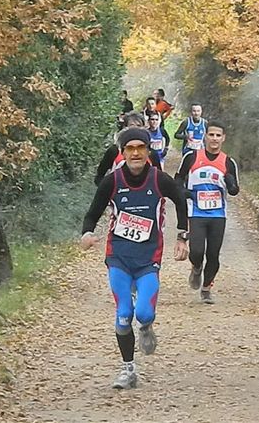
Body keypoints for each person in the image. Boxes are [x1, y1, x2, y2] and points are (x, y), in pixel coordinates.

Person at [82, 128, 189, 389]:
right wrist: (86, 233)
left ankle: (146, 327)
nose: (136, 153)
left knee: (143, 312)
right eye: (130, 149)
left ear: (148, 151)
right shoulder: (112, 181)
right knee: (123, 314)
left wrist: (182, 236)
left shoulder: (159, 179)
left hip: (148, 259)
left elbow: (181, 200)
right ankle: (128, 369)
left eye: (141, 148)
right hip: (118, 256)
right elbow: (92, 213)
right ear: (122, 153)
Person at [175, 122, 239, 304]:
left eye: (218, 135)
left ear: (223, 138)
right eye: (211, 135)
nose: (214, 139)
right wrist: (183, 191)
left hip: (218, 214)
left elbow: (234, 190)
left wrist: (231, 183)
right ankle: (196, 267)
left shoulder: (228, 162)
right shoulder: (191, 157)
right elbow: (178, 179)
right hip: (196, 212)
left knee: (213, 254)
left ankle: (206, 288)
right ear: (205, 136)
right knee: (196, 251)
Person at [94, 113, 162, 186]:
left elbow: (160, 178)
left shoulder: (151, 153)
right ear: (125, 128)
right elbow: (99, 176)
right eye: (131, 126)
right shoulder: (114, 151)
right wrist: (108, 191)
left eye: (139, 126)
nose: (135, 129)